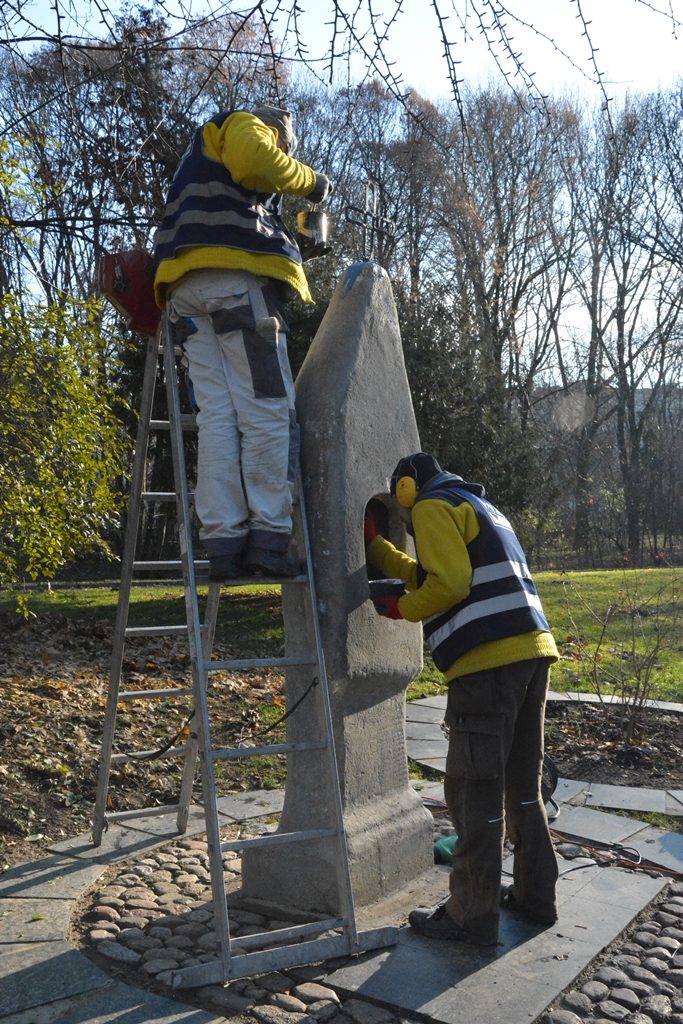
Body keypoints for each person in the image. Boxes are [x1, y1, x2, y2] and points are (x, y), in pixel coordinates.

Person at [365, 452, 559, 947]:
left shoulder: (431, 507)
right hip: (532, 652)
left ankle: (469, 916)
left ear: (406, 488)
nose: (404, 515)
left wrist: (403, 609)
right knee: (523, 788)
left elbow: (449, 584)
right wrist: (381, 551)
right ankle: (536, 897)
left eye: (401, 505)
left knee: (474, 792)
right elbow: (437, 571)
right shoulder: (477, 507)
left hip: (486, 664)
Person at [153, 105, 333, 580]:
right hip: (233, 287)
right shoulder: (243, 124)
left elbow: (239, 195)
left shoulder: (203, 157)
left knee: (217, 419)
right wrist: (312, 183)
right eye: (283, 149)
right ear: (278, 135)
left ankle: (225, 543)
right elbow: (255, 161)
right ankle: (270, 540)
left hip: (186, 293)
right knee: (266, 412)